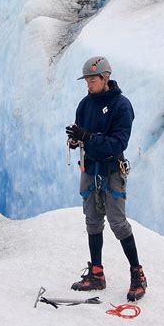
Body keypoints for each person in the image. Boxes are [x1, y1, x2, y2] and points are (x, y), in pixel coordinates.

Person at [65, 56, 147, 301]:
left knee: (118, 223)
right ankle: (97, 273)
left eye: (92, 79)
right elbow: (82, 134)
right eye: (87, 80)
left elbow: (118, 143)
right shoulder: (85, 105)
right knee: (92, 220)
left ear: (105, 78)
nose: (88, 84)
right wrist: (75, 140)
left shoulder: (122, 106)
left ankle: (137, 274)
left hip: (111, 169)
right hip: (91, 168)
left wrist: (87, 137)